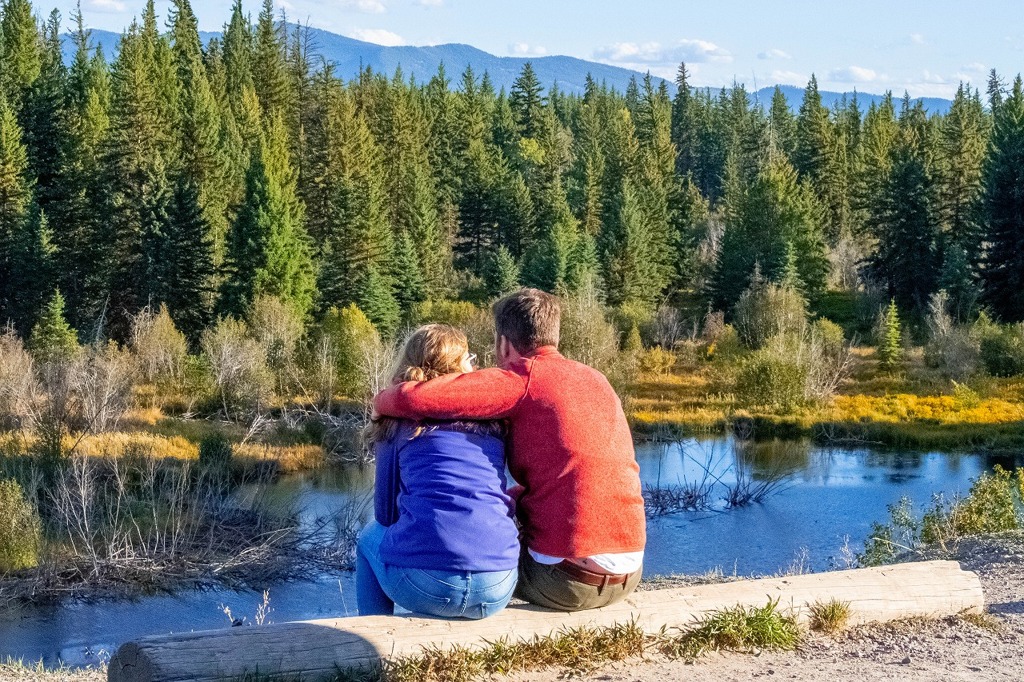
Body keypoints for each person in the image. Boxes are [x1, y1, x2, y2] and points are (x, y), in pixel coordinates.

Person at [373, 288, 646, 611]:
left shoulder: (521, 377)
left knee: (451, 558)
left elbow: (412, 398)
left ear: (504, 343)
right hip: (630, 574)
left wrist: (379, 403)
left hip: (565, 582)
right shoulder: (596, 379)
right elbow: (571, 473)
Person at [356, 324, 519, 618]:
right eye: (470, 358)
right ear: (460, 368)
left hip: (427, 587)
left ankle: (372, 638)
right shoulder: (493, 423)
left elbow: (385, 514)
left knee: (369, 537)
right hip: (497, 587)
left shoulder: (397, 423)